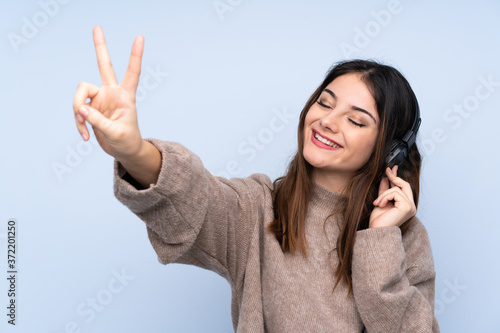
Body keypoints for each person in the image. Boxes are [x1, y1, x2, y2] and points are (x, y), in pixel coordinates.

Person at [73, 26, 440, 332]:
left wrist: (378, 240)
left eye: (356, 120)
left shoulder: (404, 237)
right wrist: (133, 150)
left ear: (391, 148)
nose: (328, 121)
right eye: (325, 103)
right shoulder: (259, 207)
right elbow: (193, 196)